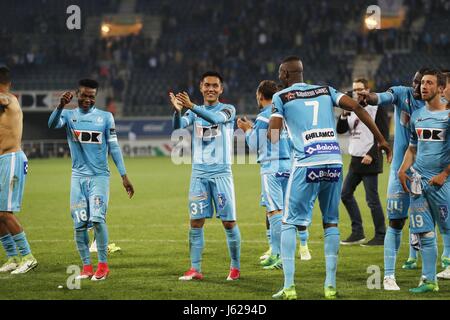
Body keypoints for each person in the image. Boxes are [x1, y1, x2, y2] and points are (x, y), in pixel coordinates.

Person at [268, 56, 391, 300]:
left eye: (280, 73)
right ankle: (330, 286)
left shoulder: (280, 97)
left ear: (284, 74)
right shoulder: (326, 90)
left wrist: (275, 125)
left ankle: (289, 287)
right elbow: (357, 107)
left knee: (289, 223)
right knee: (331, 223)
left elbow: (272, 136)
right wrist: (381, 139)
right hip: (334, 163)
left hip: (307, 163)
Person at [48, 79, 134, 281]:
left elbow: (114, 147)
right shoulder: (68, 116)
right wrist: (60, 105)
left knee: (97, 219)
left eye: (92, 96)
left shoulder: (105, 117)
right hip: (78, 178)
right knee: (79, 224)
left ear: (96, 96)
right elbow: (52, 124)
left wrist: (124, 175)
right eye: (84, 95)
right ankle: (87, 267)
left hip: (99, 177)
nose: (88, 99)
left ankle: (103, 266)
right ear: (78, 94)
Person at [358, 68, 428, 290]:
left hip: (426, 175)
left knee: (426, 227)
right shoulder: (402, 93)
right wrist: (370, 97)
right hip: (400, 172)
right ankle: (388, 276)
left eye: (423, 83)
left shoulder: (440, 108)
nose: (417, 87)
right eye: (415, 82)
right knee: (396, 223)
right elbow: (383, 96)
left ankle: (429, 276)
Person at [170, 71, 241, 281]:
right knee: (195, 222)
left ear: (221, 89)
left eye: (215, 86)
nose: (211, 89)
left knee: (228, 223)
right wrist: (177, 112)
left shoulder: (228, 109)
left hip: (221, 174)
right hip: (199, 174)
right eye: (207, 85)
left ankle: (235, 268)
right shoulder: (192, 113)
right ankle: (195, 268)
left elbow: (214, 118)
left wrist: (191, 106)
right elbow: (178, 129)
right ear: (201, 87)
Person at [237, 80, 311, 271]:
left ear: (260, 95)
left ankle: (278, 254)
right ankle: (288, 250)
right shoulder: (284, 113)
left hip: (271, 167)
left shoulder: (264, 116)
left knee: (274, 212)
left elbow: (254, 144)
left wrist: (246, 130)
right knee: (287, 212)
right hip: (290, 165)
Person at [398, 69, 449, 293]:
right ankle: (429, 280)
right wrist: (402, 169)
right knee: (424, 231)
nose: (423, 87)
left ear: (440, 88)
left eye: (429, 83)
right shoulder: (417, 115)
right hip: (418, 181)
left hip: (442, 182)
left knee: (448, 227)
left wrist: (445, 174)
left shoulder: (448, 116)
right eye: (422, 84)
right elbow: (413, 147)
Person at [338, 78, 389, 246]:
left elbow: (383, 134)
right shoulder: (351, 108)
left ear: (367, 90)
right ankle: (357, 232)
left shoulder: (376, 108)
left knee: (372, 199)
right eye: (354, 89)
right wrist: (343, 115)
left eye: (360, 89)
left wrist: (372, 153)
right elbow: (341, 130)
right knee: (345, 194)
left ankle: (381, 235)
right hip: (356, 158)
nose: (357, 92)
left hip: (370, 158)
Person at [0, 66, 38, 274]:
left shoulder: (9, 100)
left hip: (11, 159)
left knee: (5, 212)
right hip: (1, 160)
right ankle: (13, 257)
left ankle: (28, 256)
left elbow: (3, 100)